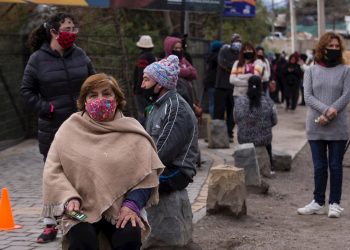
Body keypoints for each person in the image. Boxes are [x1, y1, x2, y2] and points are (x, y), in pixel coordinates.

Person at [41, 73, 164, 250]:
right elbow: (53, 170)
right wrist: (68, 198)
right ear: (84, 101)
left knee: (128, 235)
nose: (100, 99)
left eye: (106, 94)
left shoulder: (132, 130)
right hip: (81, 209)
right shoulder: (69, 128)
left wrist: (132, 204)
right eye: (93, 95)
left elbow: (147, 175)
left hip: (121, 206)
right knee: (82, 239)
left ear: (117, 98)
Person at [20, 12, 95, 243]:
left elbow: (94, 82)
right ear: (53, 32)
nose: (73, 33)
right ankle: (50, 225)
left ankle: (84, 217)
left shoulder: (80, 55)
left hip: (82, 126)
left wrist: (93, 106)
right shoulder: (37, 59)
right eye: (68, 29)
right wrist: (47, 108)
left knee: (82, 172)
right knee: (52, 175)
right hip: (52, 127)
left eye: (74, 29)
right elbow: (26, 91)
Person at [297, 32, 350, 218]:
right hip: (316, 125)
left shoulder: (346, 70)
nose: (334, 49)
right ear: (322, 47)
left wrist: (333, 111)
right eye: (331, 46)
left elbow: (346, 94)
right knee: (319, 166)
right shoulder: (311, 71)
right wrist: (327, 111)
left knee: (335, 165)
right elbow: (308, 96)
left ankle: (334, 203)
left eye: (337, 46)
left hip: (338, 127)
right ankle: (318, 201)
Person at [141, 55, 198, 193]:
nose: (142, 85)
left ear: (160, 84)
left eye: (146, 80)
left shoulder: (176, 109)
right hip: (161, 166)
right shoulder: (156, 106)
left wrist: (137, 168)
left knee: (133, 184)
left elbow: (164, 153)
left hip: (176, 172)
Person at [234, 75, 277, 175]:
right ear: (261, 86)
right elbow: (274, 121)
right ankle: (270, 167)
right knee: (267, 143)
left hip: (244, 139)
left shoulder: (239, 101)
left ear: (248, 86)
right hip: (263, 140)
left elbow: (236, 119)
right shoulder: (269, 102)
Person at [213, 33, 242, 142]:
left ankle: (229, 133)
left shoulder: (241, 54)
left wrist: (234, 67)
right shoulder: (224, 50)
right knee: (219, 112)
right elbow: (222, 63)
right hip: (221, 86)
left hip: (234, 87)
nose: (237, 43)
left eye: (239, 41)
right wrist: (235, 67)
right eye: (236, 41)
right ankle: (217, 134)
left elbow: (241, 67)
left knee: (232, 112)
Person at [133, 35, 156, 124]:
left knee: (143, 114)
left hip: (142, 91)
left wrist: (138, 90)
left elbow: (141, 76)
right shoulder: (152, 57)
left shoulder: (143, 58)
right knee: (148, 113)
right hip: (149, 90)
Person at [203, 40, 223, 118]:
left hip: (209, 82)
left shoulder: (209, 56)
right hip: (217, 83)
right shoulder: (219, 57)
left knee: (211, 102)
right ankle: (215, 118)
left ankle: (212, 118)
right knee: (216, 103)